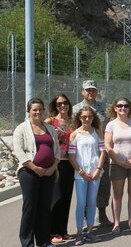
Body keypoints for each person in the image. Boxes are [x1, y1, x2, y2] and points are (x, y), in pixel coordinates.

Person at [13, 98, 60, 247]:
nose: (38, 112)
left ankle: (43, 241)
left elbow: (57, 150)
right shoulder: (21, 128)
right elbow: (19, 151)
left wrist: (53, 167)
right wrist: (34, 168)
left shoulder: (50, 128)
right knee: (30, 207)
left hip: (48, 173)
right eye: (34, 109)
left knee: (44, 207)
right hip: (29, 173)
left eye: (40, 109)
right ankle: (27, 243)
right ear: (28, 111)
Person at [72, 80, 111, 226]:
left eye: (93, 90)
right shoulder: (76, 109)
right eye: (88, 90)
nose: (91, 93)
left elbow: (109, 129)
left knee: (104, 183)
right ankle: (83, 217)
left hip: (100, 151)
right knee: (83, 185)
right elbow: (73, 129)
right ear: (82, 92)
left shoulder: (104, 108)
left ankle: (102, 213)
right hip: (82, 152)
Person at [105, 97, 131, 233]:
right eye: (120, 106)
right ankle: (116, 223)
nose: (123, 108)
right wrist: (118, 162)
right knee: (117, 194)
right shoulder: (111, 125)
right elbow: (107, 146)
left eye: (126, 106)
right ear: (115, 108)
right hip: (117, 164)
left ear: (129, 108)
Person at [68, 106, 105, 245]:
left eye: (90, 116)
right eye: (84, 117)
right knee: (81, 203)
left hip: (95, 173)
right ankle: (79, 233)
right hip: (80, 175)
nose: (87, 119)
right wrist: (81, 172)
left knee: (91, 202)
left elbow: (102, 152)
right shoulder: (74, 134)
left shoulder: (98, 132)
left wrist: (98, 169)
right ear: (79, 118)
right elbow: (71, 156)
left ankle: (89, 231)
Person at [44, 94, 74, 244]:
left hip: (70, 163)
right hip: (56, 163)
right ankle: (52, 231)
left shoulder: (73, 121)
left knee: (67, 197)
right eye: (59, 104)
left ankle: (63, 230)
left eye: (65, 103)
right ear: (55, 106)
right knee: (56, 197)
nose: (63, 106)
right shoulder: (50, 121)